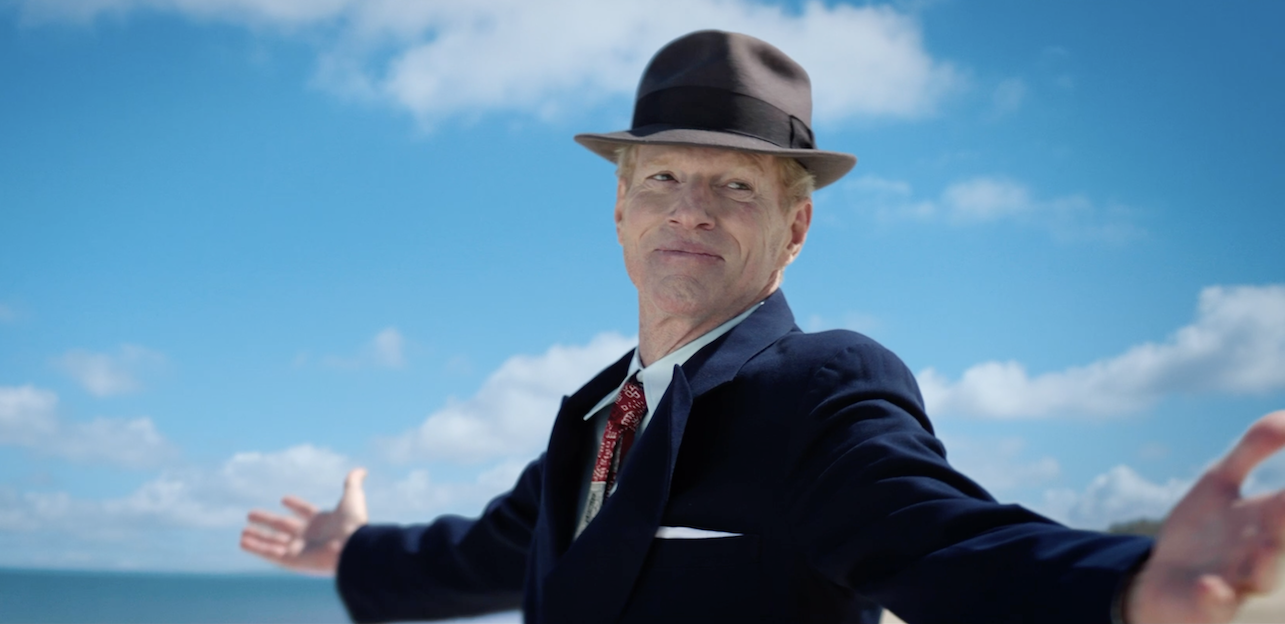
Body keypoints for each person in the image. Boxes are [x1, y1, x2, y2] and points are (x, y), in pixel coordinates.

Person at [239, 30, 1285, 624]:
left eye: (736, 185)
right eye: (662, 178)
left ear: (796, 228)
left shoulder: (819, 391)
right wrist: (350, 553)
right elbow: (479, 555)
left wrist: (1130, 586)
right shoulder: (593, 418)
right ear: (619, 211)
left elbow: (937, 540)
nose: (690, 208)